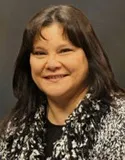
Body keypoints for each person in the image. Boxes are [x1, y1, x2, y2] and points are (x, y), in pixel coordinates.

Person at [0, 4, 125, 160]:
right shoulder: (11, 132)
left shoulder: (120, 123)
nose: (52, 64)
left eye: (65, 51)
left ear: (90, 56)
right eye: (40, 53)